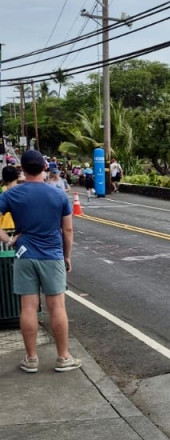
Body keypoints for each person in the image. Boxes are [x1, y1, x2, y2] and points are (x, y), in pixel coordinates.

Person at [0, 149, 81, 373]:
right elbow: (68, 230)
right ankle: (63, 358)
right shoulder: (58, 194)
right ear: (44, 168)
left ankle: (31, 359)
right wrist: (66, 256)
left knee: (27, 307)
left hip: (24, 255)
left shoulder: (12, 194)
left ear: (23, 170)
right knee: (57, 307)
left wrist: (9, 240)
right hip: (52, 255)